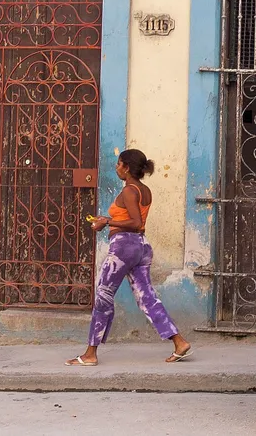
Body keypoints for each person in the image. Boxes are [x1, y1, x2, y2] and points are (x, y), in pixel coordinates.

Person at [66, 149, 192, 366]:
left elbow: (134, 222)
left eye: (118, 164)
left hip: (124, 247)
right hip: (141, 247)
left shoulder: (129, 192)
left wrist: (107, 221)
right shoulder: (145, 190)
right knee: (147, 298)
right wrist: (106, 221)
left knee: (104, 295)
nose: (116, 168)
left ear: (126, 167)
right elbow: (134, 221)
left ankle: (90, 354)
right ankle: (179, 342)